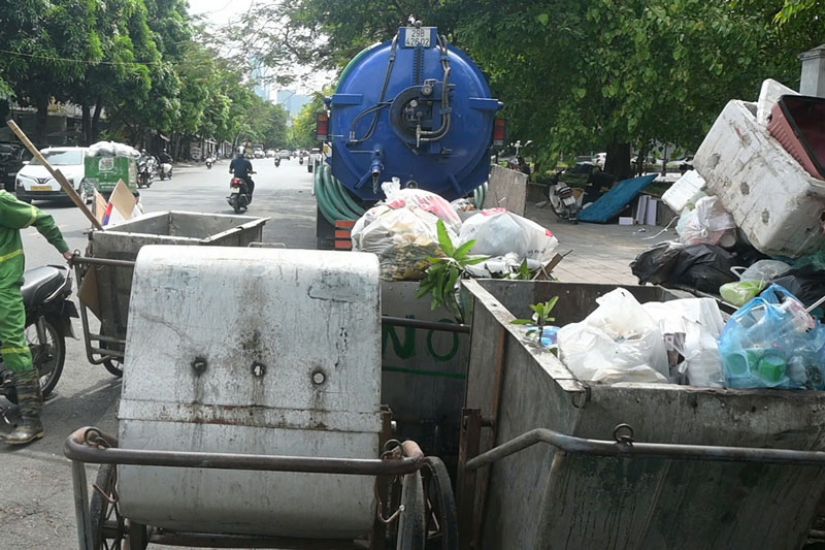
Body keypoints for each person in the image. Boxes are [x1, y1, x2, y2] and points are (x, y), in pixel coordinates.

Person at [0, 190, 72, 445]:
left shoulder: (2, 203)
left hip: (4, 287)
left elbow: (42, 218)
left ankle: (32, 422)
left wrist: (64, 250)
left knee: (12, 345)